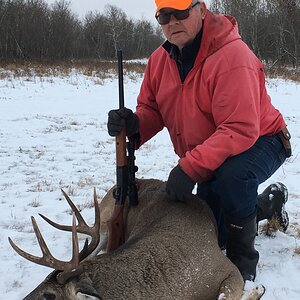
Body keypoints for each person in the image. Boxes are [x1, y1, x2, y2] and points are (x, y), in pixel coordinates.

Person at [107, 0, 291, 282]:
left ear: (201, 10)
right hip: (216, 148)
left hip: (264, 139)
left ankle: (242, 264)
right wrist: (135, 124)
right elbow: (153, 109)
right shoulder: (159, 61)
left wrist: (190, 168)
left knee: (232, 177)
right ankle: (269, 202)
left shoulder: (232, 56)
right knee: (211, 230)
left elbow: (239, 128)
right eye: (164, 16)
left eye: (180, 12)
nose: (172, 22)